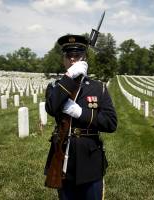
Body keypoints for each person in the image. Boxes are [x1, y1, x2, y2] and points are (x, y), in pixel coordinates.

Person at [44, 34, 117, 200]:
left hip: (90, 161)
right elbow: (51, 107)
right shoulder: (56, 86)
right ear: (64, 60)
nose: (72, 60)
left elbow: (111, 123)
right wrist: (69, 78)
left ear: (84, 59)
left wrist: (81, 113)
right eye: (68, 56)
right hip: (63, 159)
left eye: (77, 56)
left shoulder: (99, 88)